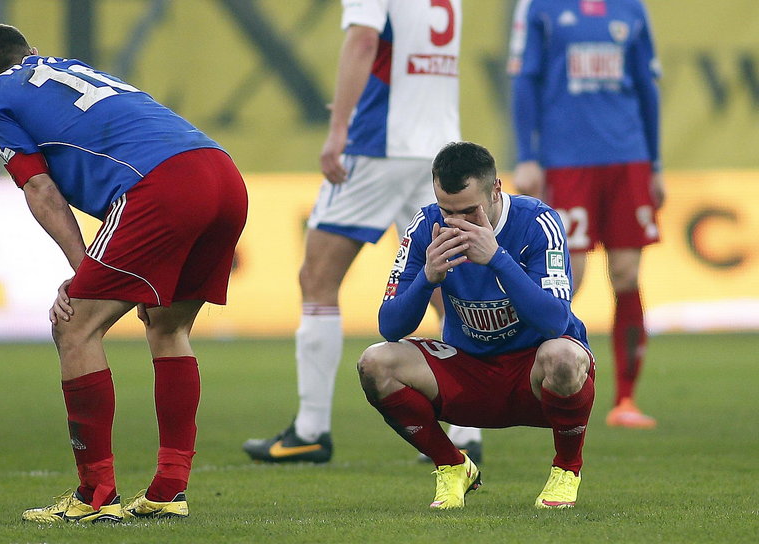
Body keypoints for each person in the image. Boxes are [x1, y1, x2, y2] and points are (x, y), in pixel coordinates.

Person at [0, 24, 248, 523]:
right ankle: (168, 489)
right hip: (222, 173)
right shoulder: (66, 67)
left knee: (74, 324)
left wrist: (82, 273)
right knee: (168, 325)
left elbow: (41, 191)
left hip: (160, 184)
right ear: (30, 53)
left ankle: (94, 494)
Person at [242, 0, 482, 464]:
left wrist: (338, 129)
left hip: (378, 147)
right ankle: (467, 429)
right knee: (447, 285)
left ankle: (310, 430)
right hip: (436, 149)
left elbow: (365, 40)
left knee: (317, 279)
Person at [358, 142, 595, 509]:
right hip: (470, 371)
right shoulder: (426, 226)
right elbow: (390, 326)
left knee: (562, 354)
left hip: (532, 372)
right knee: (374, 363)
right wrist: (427, 277)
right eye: (447, 210)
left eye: (470, 211)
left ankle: (567, 469)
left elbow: (554, 321)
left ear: (496, 189)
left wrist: (497, 258)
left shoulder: (537, 222)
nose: (457, 222)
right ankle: (452, 467)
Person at [508, 0, 664, 428]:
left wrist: (655, 165)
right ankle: (532, 381)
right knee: (567, 275)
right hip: (566, 159)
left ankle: (626, 401)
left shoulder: (630, 8)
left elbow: (647, 86)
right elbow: (525, 80)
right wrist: (527, 156)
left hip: (627, 157)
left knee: (627, 274)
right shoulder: (539, 7)